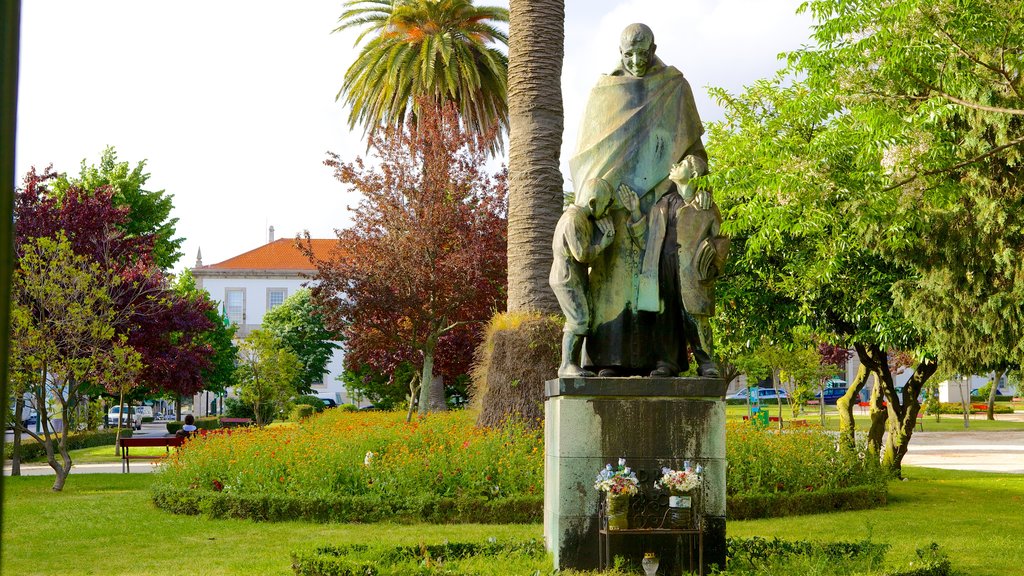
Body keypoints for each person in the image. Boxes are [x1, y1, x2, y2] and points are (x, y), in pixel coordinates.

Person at [569, 23, 713, 376]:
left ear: (654, 49)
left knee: (663, 283)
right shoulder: (603, 92)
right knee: (611, 284)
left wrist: (690, 169)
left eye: (643, 53)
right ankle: (607, 361)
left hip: (662, 205)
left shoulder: (674, 88)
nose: (635, 60)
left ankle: (665, 360)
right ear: (620, 53)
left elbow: (696, 155)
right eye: (628, 54)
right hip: (613, 207)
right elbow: (586, 158)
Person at [549, 178, 616, 377]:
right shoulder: (573, 219)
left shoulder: (579, 217)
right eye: (605, 206)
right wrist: (604, 243)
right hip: (567, 277)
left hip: (572, 275)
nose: (606, 212)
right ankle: (567, 365)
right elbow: (582, 254)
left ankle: (570, 364)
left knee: (581, 318)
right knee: (578, 319)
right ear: (593, 202)